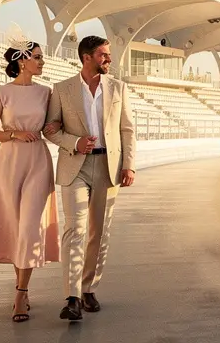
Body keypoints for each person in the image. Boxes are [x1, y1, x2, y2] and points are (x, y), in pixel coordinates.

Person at [0, 38, 61, 323]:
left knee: (31, 225)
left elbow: (54, 124)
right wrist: (15, 134)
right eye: (38, 57)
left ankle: (20, 292)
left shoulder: (47, 93)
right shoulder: (2, 93)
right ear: (22, 61)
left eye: (42, 57)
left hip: (37, 161)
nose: (42, 61)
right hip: (9, 161)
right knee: (16, 226)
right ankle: (22, 288)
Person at [44, 36, 135, 321]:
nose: (109, 59)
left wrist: (129, 165)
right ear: (86, 57)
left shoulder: (119, 88)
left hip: (109, 166)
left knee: (100, 232)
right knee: (75, 229)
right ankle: (71, 297)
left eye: (108, 55)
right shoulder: (61, 89)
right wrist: (74, 142)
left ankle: (88, 288)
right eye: (103, 55)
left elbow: (128, 130)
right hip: (75, 166)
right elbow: (50, 129)